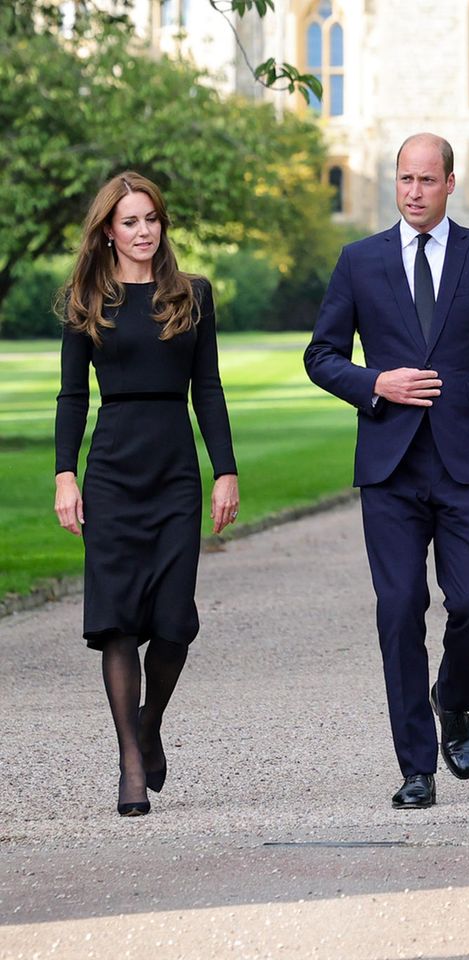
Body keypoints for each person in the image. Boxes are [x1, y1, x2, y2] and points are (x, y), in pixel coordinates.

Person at [304, 133, 469, 810]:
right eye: (405, 179)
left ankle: (453, 695)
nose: (414, 191)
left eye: (427, 180)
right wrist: (378, 382)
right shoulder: (359, 261)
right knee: (399, 608)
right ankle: (415, 767)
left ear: (450, 184)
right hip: (391, 467)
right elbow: (321, 356)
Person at [54, 172, 239, 816]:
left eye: (151, 219)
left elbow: (208, 388)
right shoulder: (86, 298)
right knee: (116, 621)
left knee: (173, 622)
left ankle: (149, 724)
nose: (143, 231)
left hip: (173, 472)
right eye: (129, 221)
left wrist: (226, 469)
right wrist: (64, 474)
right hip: (111, 469)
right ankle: (131, 763)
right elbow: (72, 395)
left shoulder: (192, 295)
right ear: (109, 231)